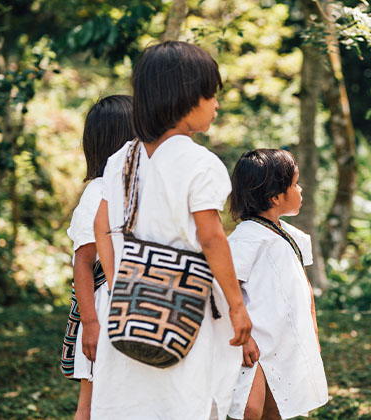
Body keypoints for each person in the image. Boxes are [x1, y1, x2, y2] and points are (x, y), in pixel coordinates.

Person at [90, 41, 252, 420]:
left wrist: (120, 286)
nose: (216, 105)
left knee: (130, 403)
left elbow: (103, 228)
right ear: (184, 96)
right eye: (210, 94)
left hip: (131, 308)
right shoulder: (199, 162)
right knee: (183, 400)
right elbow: (212, 239)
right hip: (182, 308)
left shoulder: (122, 159)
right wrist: (237, 306)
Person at [226, 149, 328, 420]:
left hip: (285, 338)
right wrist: (244, 337)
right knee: (249, 408)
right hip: (256, 339)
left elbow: (304, 290)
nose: (301, 188)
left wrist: (312, 334)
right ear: (274, 196)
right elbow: (226, 286)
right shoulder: (245, 238)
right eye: (294, 184)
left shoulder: (294, 236)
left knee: (278, 407)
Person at [60, 94, 133, 420]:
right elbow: (83, 263)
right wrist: (90, 323)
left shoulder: (141, 187)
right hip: (103, 311)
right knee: (92, 404)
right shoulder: (99, 191)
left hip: (135, 307)